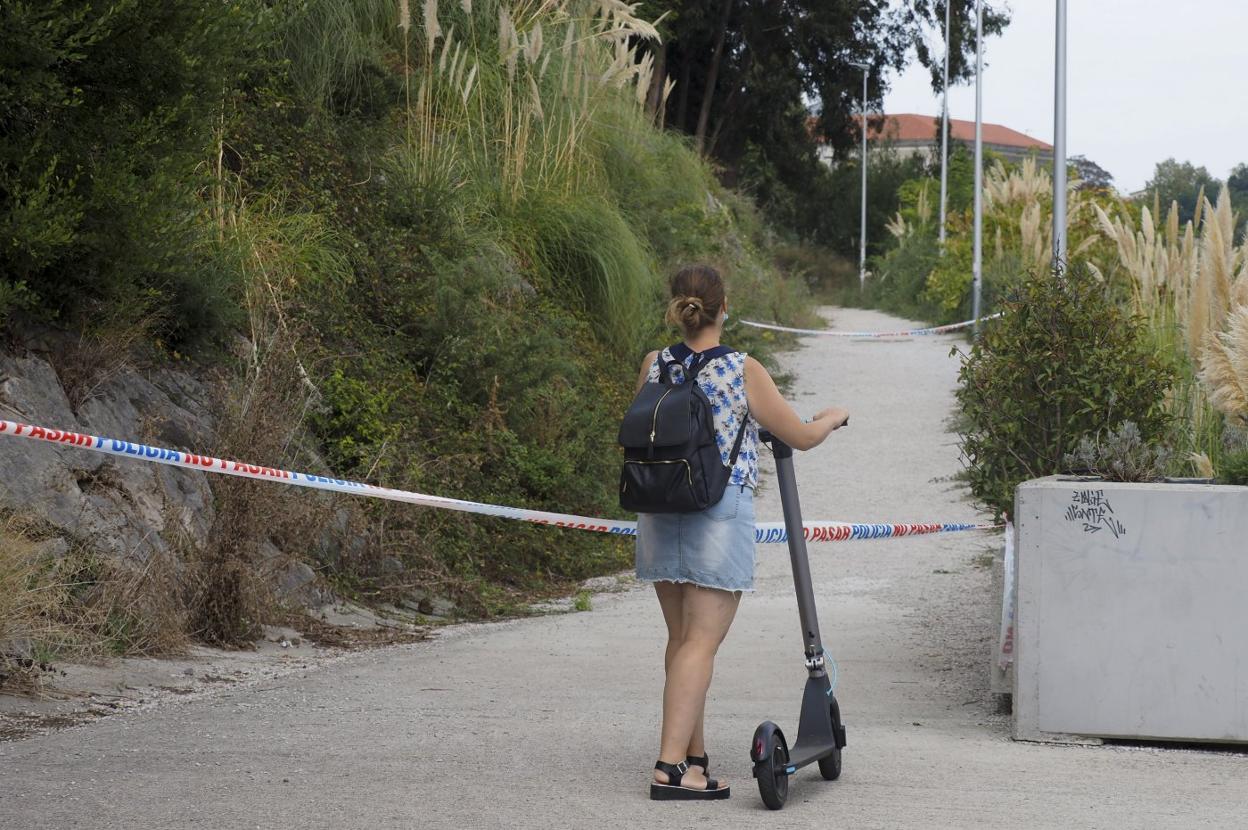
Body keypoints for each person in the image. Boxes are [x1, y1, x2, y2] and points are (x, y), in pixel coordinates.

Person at [635, 264, 850, 801]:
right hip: (715, 512)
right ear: (722, 307)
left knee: (683, 641)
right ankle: (670, 769)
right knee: (700, 644)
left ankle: (693, 757)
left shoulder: (654, 364)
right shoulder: (741, 368)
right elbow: (798, 436)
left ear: (678, 308)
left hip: (659, 509)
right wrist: (832, 417)